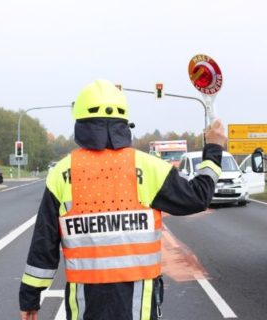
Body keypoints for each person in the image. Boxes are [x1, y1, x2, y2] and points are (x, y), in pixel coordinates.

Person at [19, 79, 227, 320]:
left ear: (81, 121)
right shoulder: (149, 168)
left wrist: (30, 299)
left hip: (86, 305)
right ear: (124, 122)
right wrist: (213, 148)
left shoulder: (62, 173)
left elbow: (43, 246)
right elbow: (199, 196)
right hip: (137, 305)